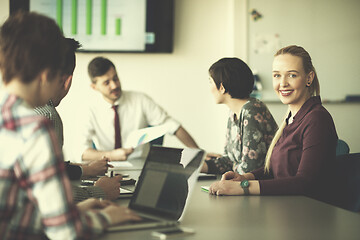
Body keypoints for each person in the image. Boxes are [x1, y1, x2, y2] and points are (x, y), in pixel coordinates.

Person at [0, 11, 140, 239]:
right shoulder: (36, 126)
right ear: (47, 76)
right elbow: (64, 232)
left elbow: (14, 209)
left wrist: (74, 210)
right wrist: (106, 217)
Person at [209, 45, 338, 203]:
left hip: (307, 215)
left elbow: (305, 183)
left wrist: (243, 186)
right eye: (277, 75)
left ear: (309, 78)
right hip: (284, 207)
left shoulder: (316, 119)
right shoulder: (291, 119)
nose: (282, 83)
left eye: (292, 75)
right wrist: (244, 177)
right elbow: (275, 169)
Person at [34, 38, 121, 202]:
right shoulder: (47, 116)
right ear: (67, 81)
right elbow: (51, 196)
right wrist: (99, 192)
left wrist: (84, 170)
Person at [79, 57, 199, 162]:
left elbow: (172, 126)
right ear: (94, 87)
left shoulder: (140, 100)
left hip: (139, 166)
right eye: (107, 83)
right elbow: (82, 152)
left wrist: (198, 155)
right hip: (106, 168)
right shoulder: (89, 110)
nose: (114, 85)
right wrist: (112, 155)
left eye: (115, 78)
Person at [201, 57, 278, 174]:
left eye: (210, 82)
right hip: (244, 186)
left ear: (221, 87)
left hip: (262, 187)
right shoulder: (234, 113)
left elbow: (251, 168)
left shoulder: (252, 110)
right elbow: (229, 161)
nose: (210, 88)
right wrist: (199, 165)